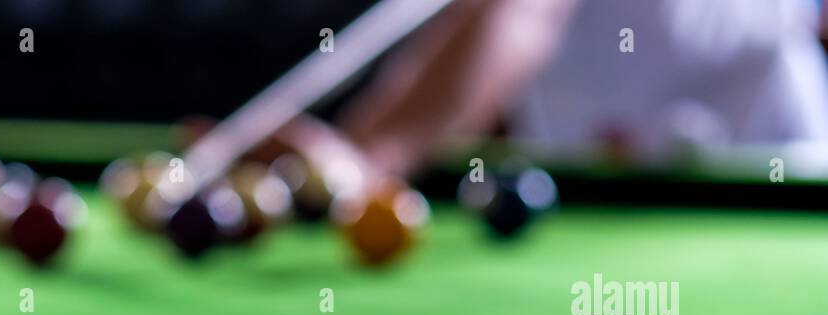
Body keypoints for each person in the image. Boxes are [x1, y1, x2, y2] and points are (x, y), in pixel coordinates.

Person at [334, 0, 828, 178]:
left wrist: (371, 158)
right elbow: (498, 20)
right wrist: (368, 151)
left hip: (783, 168)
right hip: (592, 196)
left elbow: (516, 17)